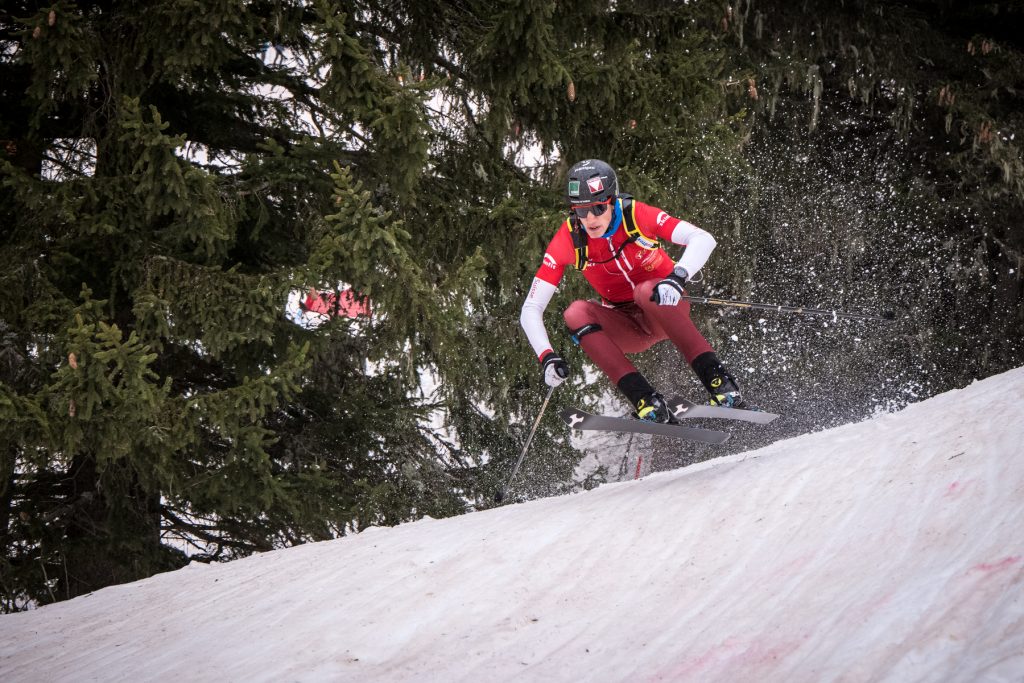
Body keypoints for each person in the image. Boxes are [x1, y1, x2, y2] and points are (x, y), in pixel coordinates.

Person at [519, 159, 748, 423]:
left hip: (664, 306)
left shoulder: (636, 215)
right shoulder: (568, 240)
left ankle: (719, 383)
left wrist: (677, 278)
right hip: (627, 327)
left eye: (597, 207)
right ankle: (646, 402)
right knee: (575, 312)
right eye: (582, 212)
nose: (590, 219)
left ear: (612, 201)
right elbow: (531, 309)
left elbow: (703, 238)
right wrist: (546, 356)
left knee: (644, 290)